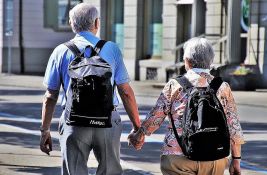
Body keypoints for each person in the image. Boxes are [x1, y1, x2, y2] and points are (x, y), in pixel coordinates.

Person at [40, 3, 141, 175]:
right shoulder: (112, 49)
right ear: (96, 23)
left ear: (72, 24)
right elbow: (125, 92)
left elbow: (50, 96)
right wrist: (137, 127)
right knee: (110, 171)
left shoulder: (60, 52)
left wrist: (45, 130)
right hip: (108, 122)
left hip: (74, 123)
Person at [128, 38, 245, 175]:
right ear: (210, 61)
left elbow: (156, 116)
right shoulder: (222, 88)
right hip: (214, 159)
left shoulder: (175, 85)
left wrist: (139, 134)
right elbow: (234, 126)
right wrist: (236, 160)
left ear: (187, 61)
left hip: (178, 157)